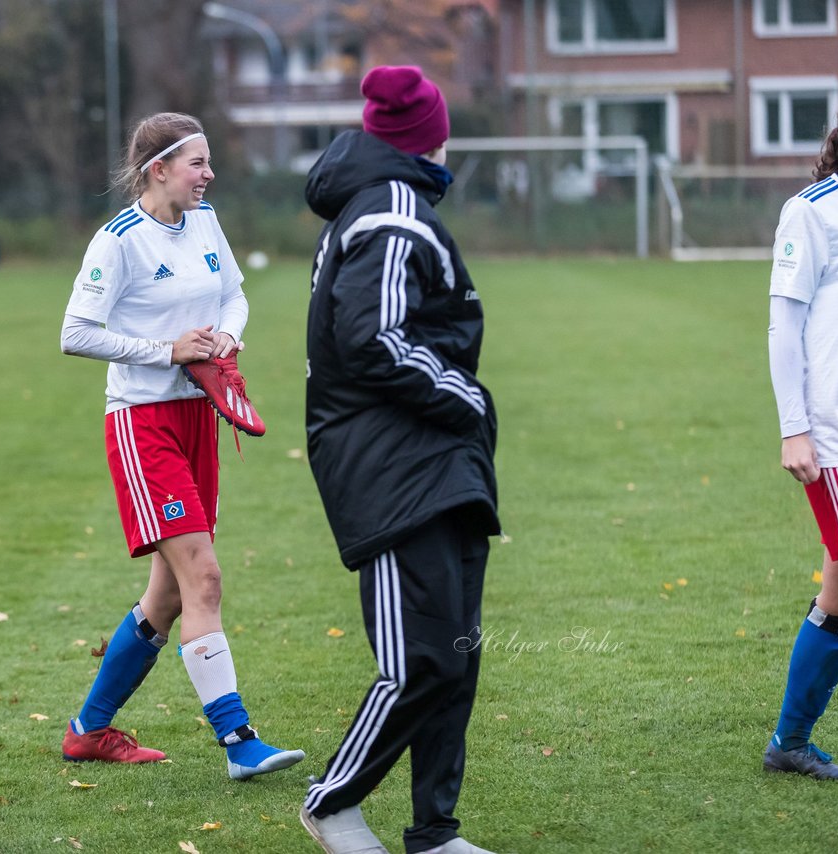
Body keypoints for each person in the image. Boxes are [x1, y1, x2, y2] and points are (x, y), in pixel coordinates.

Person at [58, 111, 304, 780]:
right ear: (157, 168)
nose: (209, 173)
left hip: (201, 416)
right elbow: (75, 332)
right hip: (144, 424)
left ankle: (88, 731)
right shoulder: (118, 242)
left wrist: (226, 335)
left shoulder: (205, 221)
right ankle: (239, 741)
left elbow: (235, 295)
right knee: (205, 578)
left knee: (167, 596)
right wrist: (164, 351)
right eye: (197, 162)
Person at [298, 66, 499, 854]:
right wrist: (467, 397)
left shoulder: (390, 202)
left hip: (432, 464)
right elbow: (372, 339)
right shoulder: (390, 208)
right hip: (392, 467)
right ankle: (333, 801)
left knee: (454, 655)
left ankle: (435, 831)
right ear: (427, 136)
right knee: (421, 659)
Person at [765, 85, 838, 782]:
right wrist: (795, 429)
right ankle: (790, 741)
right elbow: (784, 325)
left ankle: (790, 743)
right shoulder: (814, 211)